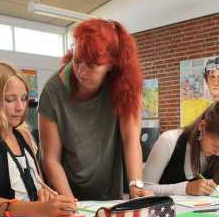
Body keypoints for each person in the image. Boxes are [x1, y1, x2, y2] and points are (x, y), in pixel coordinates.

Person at [39, 19, 149, 201]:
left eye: (91, 66)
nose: (81, 72)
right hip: (65, 191)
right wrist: (70, 202)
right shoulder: (53, 91)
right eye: (77, 61)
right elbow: (50, 158)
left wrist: (136, 185)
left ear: (111, 64)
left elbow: (131, 140)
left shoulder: (125, 86)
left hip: (108, 193)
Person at [0, 61, 76, 217]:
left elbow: (40, 184)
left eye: (23, 99)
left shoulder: (24, 135)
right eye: (10, 100)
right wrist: (38, 209)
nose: (20, 107)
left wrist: (45, 194)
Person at [143, 101, 219, 196]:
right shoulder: (169, 140)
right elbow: (144, 189)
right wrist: (185, 189)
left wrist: (214, 189)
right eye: (216, 146)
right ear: (202, 126)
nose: (218, 153)